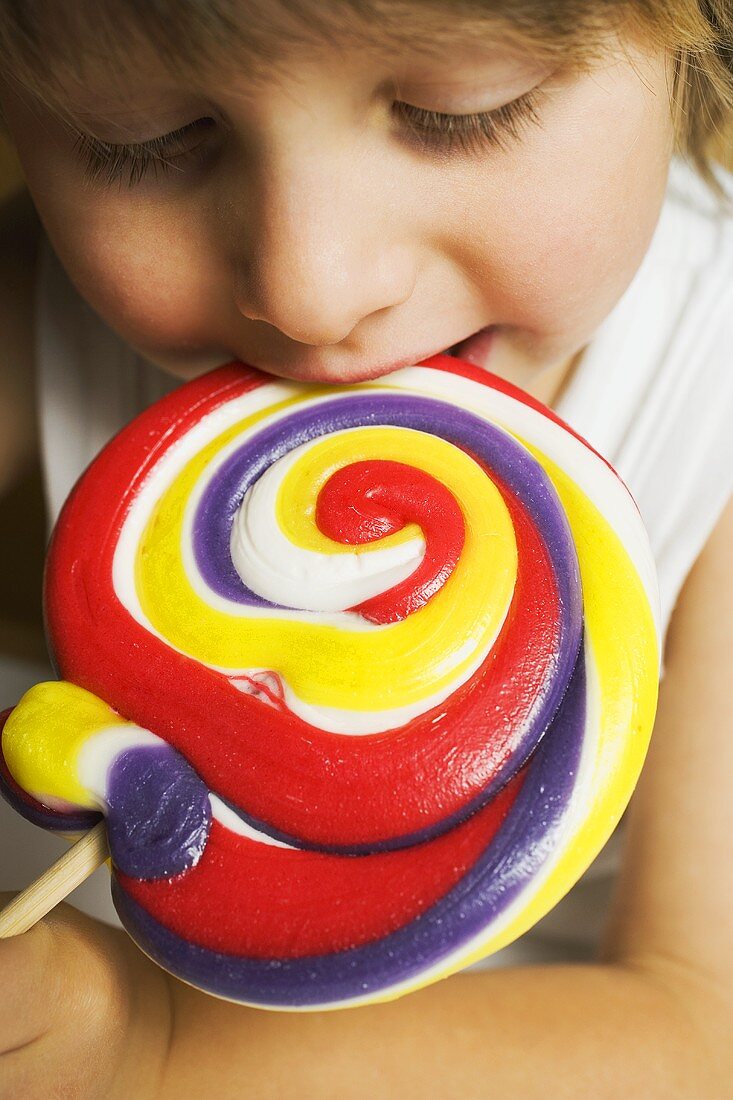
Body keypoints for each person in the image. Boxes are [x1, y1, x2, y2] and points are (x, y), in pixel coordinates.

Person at [1, 1, 732, 1095]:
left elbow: (700, 1023)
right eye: (143, 139)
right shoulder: (37, 293)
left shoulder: (710, 383)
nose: (309, 288)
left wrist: (152, 1051)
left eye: (458, 112)